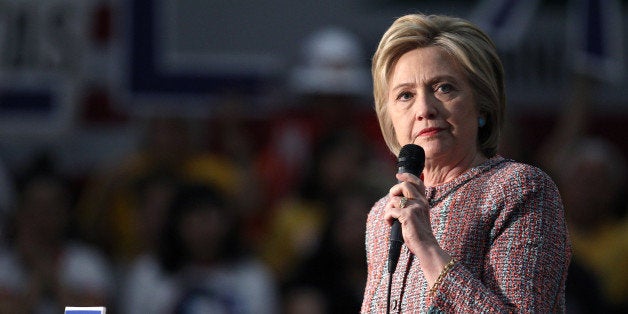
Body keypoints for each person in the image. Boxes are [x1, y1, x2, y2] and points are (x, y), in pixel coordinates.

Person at [361, 13, 570, 313]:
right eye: (405, 95)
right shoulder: (382, 216)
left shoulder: (520, 190)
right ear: (390, 117)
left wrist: (428, 248)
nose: (424, 109)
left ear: (482, 103)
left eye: (443, 88)